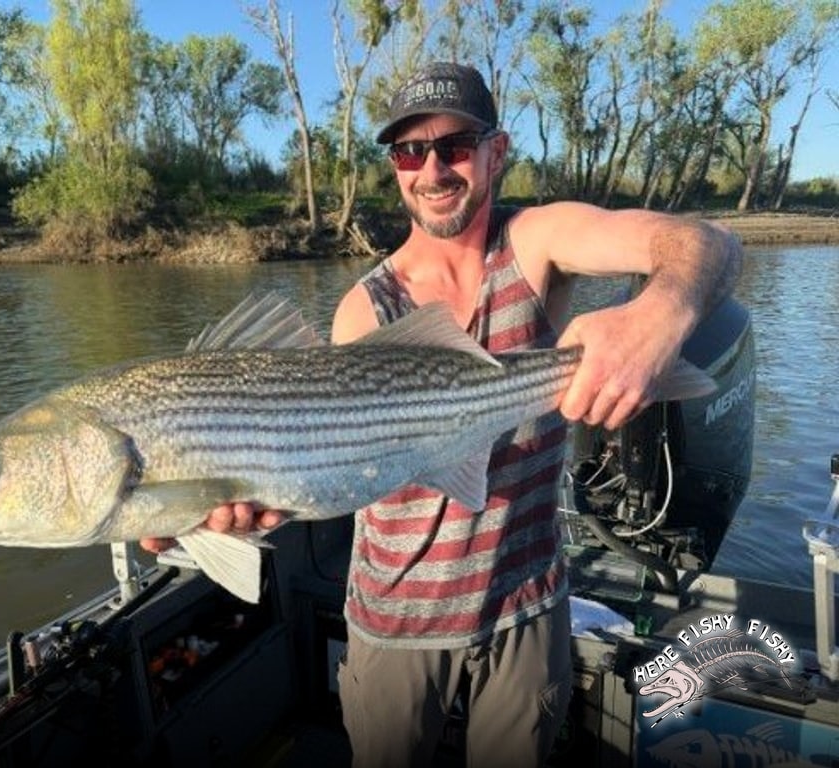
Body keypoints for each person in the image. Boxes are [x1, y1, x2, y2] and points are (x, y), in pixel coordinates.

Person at [142, 61, 742, 768]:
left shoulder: (537, 241)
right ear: (395, 166)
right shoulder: (366, 308)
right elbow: (328, 454)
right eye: (408, 151)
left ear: (496, 150)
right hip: (395, 620)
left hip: (527, 602)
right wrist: (247, 495)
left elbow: (705, 243)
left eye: (454, 145)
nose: (432, 169)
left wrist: (657, 316)